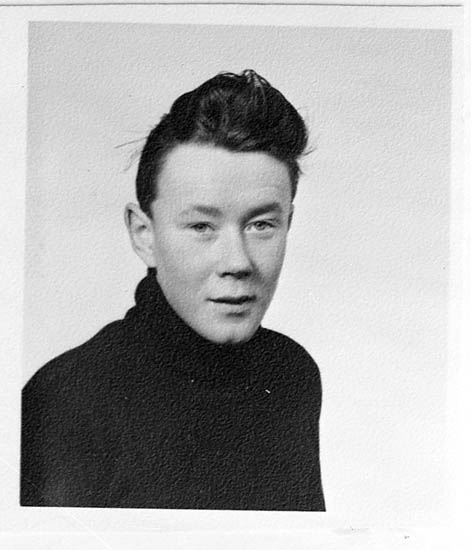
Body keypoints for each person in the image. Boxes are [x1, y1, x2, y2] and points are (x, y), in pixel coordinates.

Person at [21, 70, 325, 510]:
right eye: (202, 226)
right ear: (143, 234)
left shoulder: (291, 374)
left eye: (261, 224)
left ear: (288, 224)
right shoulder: (66, 399)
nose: (238, 262)